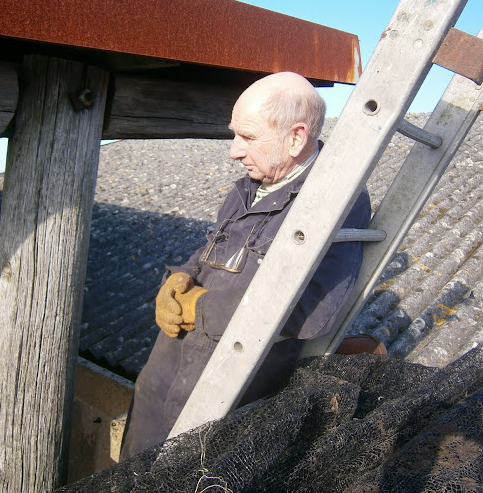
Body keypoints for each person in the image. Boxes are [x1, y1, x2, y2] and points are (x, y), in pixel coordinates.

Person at [120, 71, 372, 460]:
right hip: (168, 367)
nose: (233, 151)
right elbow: (213, 248)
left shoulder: (335, 199)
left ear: (295, 138)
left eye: (248, 137)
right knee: (137, 466)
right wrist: (182, 276)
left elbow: (312, 310)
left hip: (228, 390)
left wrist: (198, 309)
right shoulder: (247, 187)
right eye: (234, 134)